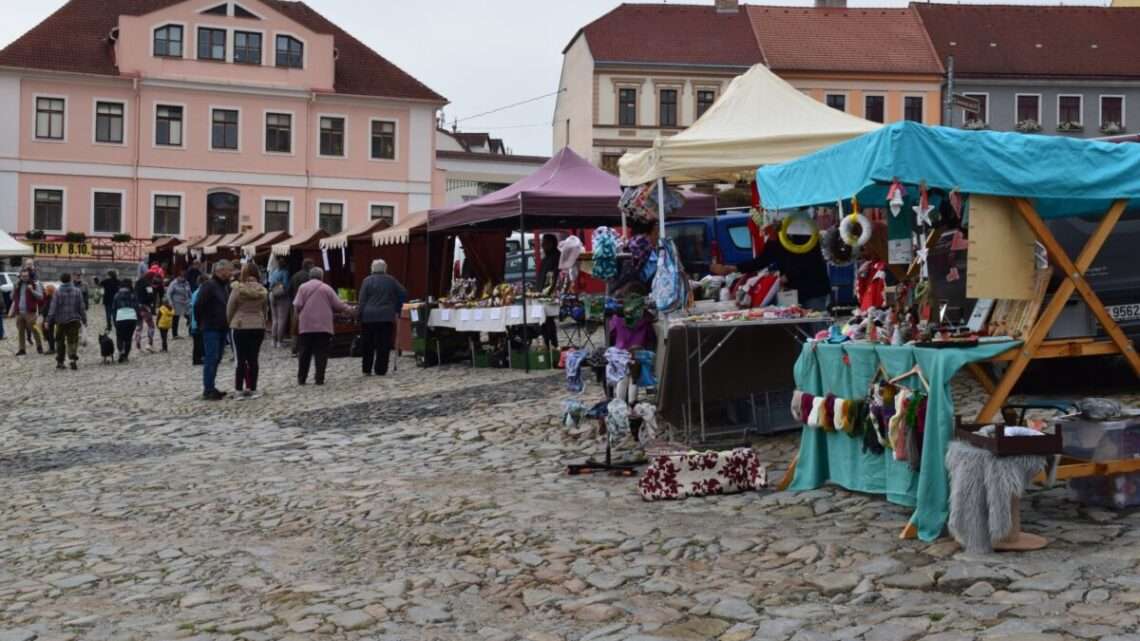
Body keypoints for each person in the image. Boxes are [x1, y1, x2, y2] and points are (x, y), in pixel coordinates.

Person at [710, 233, 832, 312]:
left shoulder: (805, 232)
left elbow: (809, 261)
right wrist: (732, 268)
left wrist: (787, 276)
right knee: (799, 331)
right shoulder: (776, 237)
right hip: (793, 293)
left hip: (814, 290)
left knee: (817, 330)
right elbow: (762, 260)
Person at [293, 266, 351, 385]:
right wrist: (350, 309)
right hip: (323, 326)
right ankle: (319, 378)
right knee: (321, 352)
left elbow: (297, 305)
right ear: (321, 276)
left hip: (306, 325)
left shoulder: (302, 288)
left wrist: (299, 317)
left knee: (304, 353)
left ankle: (302, 378)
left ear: (310, 276)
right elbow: (338, 305)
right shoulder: (327, 288)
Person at [357, 259, 407, 377]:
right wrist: (396, 306)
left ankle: (366, 369)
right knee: (383, 344)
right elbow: (403, 293)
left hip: (368, 317)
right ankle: (380, 369)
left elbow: (362, 299)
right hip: (386, 316)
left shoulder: (367, 281)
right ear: (385, 268)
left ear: (372, 268)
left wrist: (360, 314)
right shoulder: (391, 280)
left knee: (368, 344)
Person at [227, 262, 269, 398]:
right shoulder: (262, 290)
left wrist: (230, 322)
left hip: (240, 325)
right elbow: (265, 309)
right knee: (253, 359)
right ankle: (253, 388)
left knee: (240, 359)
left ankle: (239, 389)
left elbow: (230, 308)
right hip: (257, 326)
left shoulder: (237, 289)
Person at [196, 261, 233, 400]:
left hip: (222, 327)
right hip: (211, 327)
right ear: (221, 271)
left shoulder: (224, 286)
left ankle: (211, 386)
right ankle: (208, 389)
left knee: (217, 358)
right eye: (229, 270)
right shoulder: (209, 286)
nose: (230, 273)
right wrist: (201, 323)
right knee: (211, 358)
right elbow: (198, 306)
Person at [47, 273, 86, 370]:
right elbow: (81, 307)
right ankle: (72, 359)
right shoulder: (77, 291)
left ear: (61, 280)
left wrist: (49, 319)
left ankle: (60, 361)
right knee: (73, 340)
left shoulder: (57, 292)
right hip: (74, 319)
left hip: (60, 320)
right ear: (70, 279)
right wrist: (84, 319)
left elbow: (53, 307)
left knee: (60, 341)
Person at [288, 258, 315, 355]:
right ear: (308, 266)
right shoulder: (308, 277)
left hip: (295, 303)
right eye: (312, 265)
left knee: (295, 327)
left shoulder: (295, 275)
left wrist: (293, 300)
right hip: (306, 304)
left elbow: (289, 290)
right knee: (304, 326)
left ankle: (294, 348)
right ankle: (303, 348)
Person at [111, 279, 139, 363]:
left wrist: (114, 319)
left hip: (120, 317)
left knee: (119, 337)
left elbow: (113, 309)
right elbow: (136, 307)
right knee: (128, 338)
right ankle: (126, 356)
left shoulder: (117, 295)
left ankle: (121, 351)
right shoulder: (133, 295)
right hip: (131, 317)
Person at [268, 258, 291, 348]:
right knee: (282, 319)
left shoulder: (274, 272)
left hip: (272, 294)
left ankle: (273, 340)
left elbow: (270, 283)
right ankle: (279, 341)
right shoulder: (285, 272)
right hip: (281, 296)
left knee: (275, 319)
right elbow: (285, 285)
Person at [189, 275, 207, 366]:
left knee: (197, 342)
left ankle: (197, 359)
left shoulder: (196, 292)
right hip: (198, 321)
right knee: (199, 341)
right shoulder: (200, 292)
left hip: (195, 321)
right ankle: (198, 359)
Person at [166, 272, 192, 339]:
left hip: (186, 303)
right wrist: (170, 303)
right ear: (177, 277)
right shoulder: (173, 283)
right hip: (176, 303)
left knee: (190, 316)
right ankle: (175, 334)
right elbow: (168, 294)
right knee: (175, 319)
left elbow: (189, 292)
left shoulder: (187, 283)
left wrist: (191, 300)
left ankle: (191, 332)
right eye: (181, 277)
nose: (182, 278)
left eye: (183, 277)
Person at [40, 284, 56, 355]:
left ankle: (52, 348)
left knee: (49, 333)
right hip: (46, 317)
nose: (44, 291)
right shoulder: (47, 297)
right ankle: (51, 344)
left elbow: (50, 310)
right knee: (46, 332)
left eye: (46, 290)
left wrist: (47, 320)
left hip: (49, 318)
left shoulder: (52, 298)